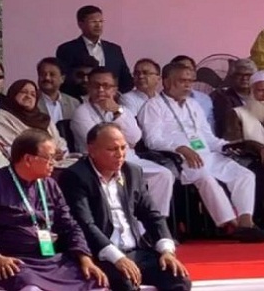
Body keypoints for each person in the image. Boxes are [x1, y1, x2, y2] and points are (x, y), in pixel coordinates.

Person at [0, 129, 108, 291]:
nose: (54, 163)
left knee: (95, 281)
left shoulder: (50, 185)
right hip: (10, 261)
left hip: (50, 260)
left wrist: (84, 257)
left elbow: (69, 225)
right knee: (30, 287)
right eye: (49, 157)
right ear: (28, 159)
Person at [138, 62, 264, 242]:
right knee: (206, 177)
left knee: (244, 175)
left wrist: (227, 145)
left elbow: (208, 137)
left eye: (190, 81)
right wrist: (180, 148)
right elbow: (152, 140)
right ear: (166, 82)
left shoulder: (193, 104)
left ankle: (246, 222)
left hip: (207, 154)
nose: (188, 85)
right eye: (182, 81)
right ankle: (231, 225)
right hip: (180, 159)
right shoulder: (153, 106)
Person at [59, 123, 191, 291]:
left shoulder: (132, 172)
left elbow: (152, 215)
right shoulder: (75, 176)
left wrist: (166, 251)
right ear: (91, 150)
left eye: (123, 148)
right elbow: (86, 224)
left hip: (136, 251)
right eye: (112, 149)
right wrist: (117, 258)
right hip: (101, 254)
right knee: (126, 283)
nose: (120, 154)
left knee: (178, 278)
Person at [70, 68, 174, 216]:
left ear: (114, 89)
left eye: (106, 86)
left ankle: (155, 222)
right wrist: (125, 142)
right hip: (99, 163)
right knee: (127, 176)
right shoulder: (82, 112)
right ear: (88, 87)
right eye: (96, 85)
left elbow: (135, 137)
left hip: (129, 158)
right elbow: (98, 142)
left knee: (163, 175)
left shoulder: (121, 110)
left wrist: (117, 112)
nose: (101, 90)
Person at [221, 70, 264, 229]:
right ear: (251, 91)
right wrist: (259, 147)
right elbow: (233, 142)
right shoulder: (237, 113)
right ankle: (258, 222)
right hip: (247, 159)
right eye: (260, 90)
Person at [56, 5, 133, 93]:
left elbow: (126, 80)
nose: (98, 25)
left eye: (101, 21)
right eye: (93, 22)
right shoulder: (67, 49)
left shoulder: (114, 50)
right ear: (80, 24)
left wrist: (115, 94)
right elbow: (64, 80)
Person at [0, 79, 69, 158]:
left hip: (54, 161)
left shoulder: (44, 119)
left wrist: (60, 152)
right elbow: (3, 148)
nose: (28, 96)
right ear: (13, 94)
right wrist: (42, 153)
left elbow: (60, 142)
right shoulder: (1, 117)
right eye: (23, 92)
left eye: (33, 94)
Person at [211, 58, 257, 137]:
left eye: (248, 75)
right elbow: (226, 126)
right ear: (232, 77)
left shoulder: (260, 96)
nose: (244, 78)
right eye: (239, 74)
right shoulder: (223, 98)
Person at [170, 55, 215, 129]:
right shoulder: (159, 102)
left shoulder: (205, 100)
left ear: (195, 74)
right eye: (180, 69)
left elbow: (210, 129)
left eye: (188, 69)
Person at [35, 57, 80, 124]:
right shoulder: (32, 101)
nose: (47, 78)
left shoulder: (73, 103)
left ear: (62, 79)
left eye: (52, 74)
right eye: (43, 74)